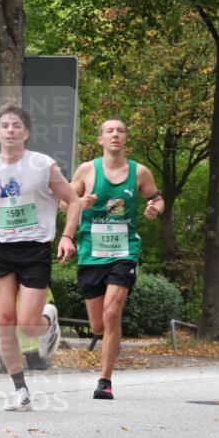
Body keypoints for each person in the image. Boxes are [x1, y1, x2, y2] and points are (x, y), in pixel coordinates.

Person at [0, 104, 82, 411]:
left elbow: (74, 201)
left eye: (17, 125)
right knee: (4, 321)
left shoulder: (43, 165)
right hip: (1, 248)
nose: (11, 130)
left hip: (35, 249)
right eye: (5, 125)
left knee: (28, 326)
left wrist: (67, 236)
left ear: (26, 133)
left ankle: (47, 320)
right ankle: (20, 389)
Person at [71, 119, 164, 398]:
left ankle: (105, 381)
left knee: (113, 312)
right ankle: (104, 341)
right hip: (91, 253)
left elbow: (157, 198)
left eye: (120, 131)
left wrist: (154, 209)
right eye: (109, 131)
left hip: (124, 252)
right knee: (99, 325)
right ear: (100, 139)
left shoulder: (140, 172)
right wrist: (79, 203)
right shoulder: (87, 170)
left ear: (125, 139)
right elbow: (64, 201)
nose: (115, 134)